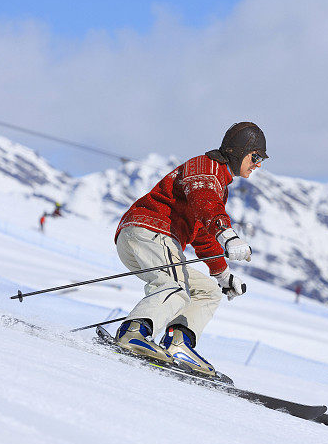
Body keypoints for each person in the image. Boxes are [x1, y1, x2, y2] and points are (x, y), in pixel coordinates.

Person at [113, 122, 268, 377]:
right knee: (175, 288)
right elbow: (205, 201)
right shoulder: (205, 168)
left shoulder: (219, 181)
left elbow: (202, 234)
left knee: (207, 292)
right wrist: (228, 235)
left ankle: (179, 344)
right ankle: (134, 332)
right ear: (241, 151)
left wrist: (222, 275)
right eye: (256, 156)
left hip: (148, 238)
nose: (258, 164)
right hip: (153, 232)